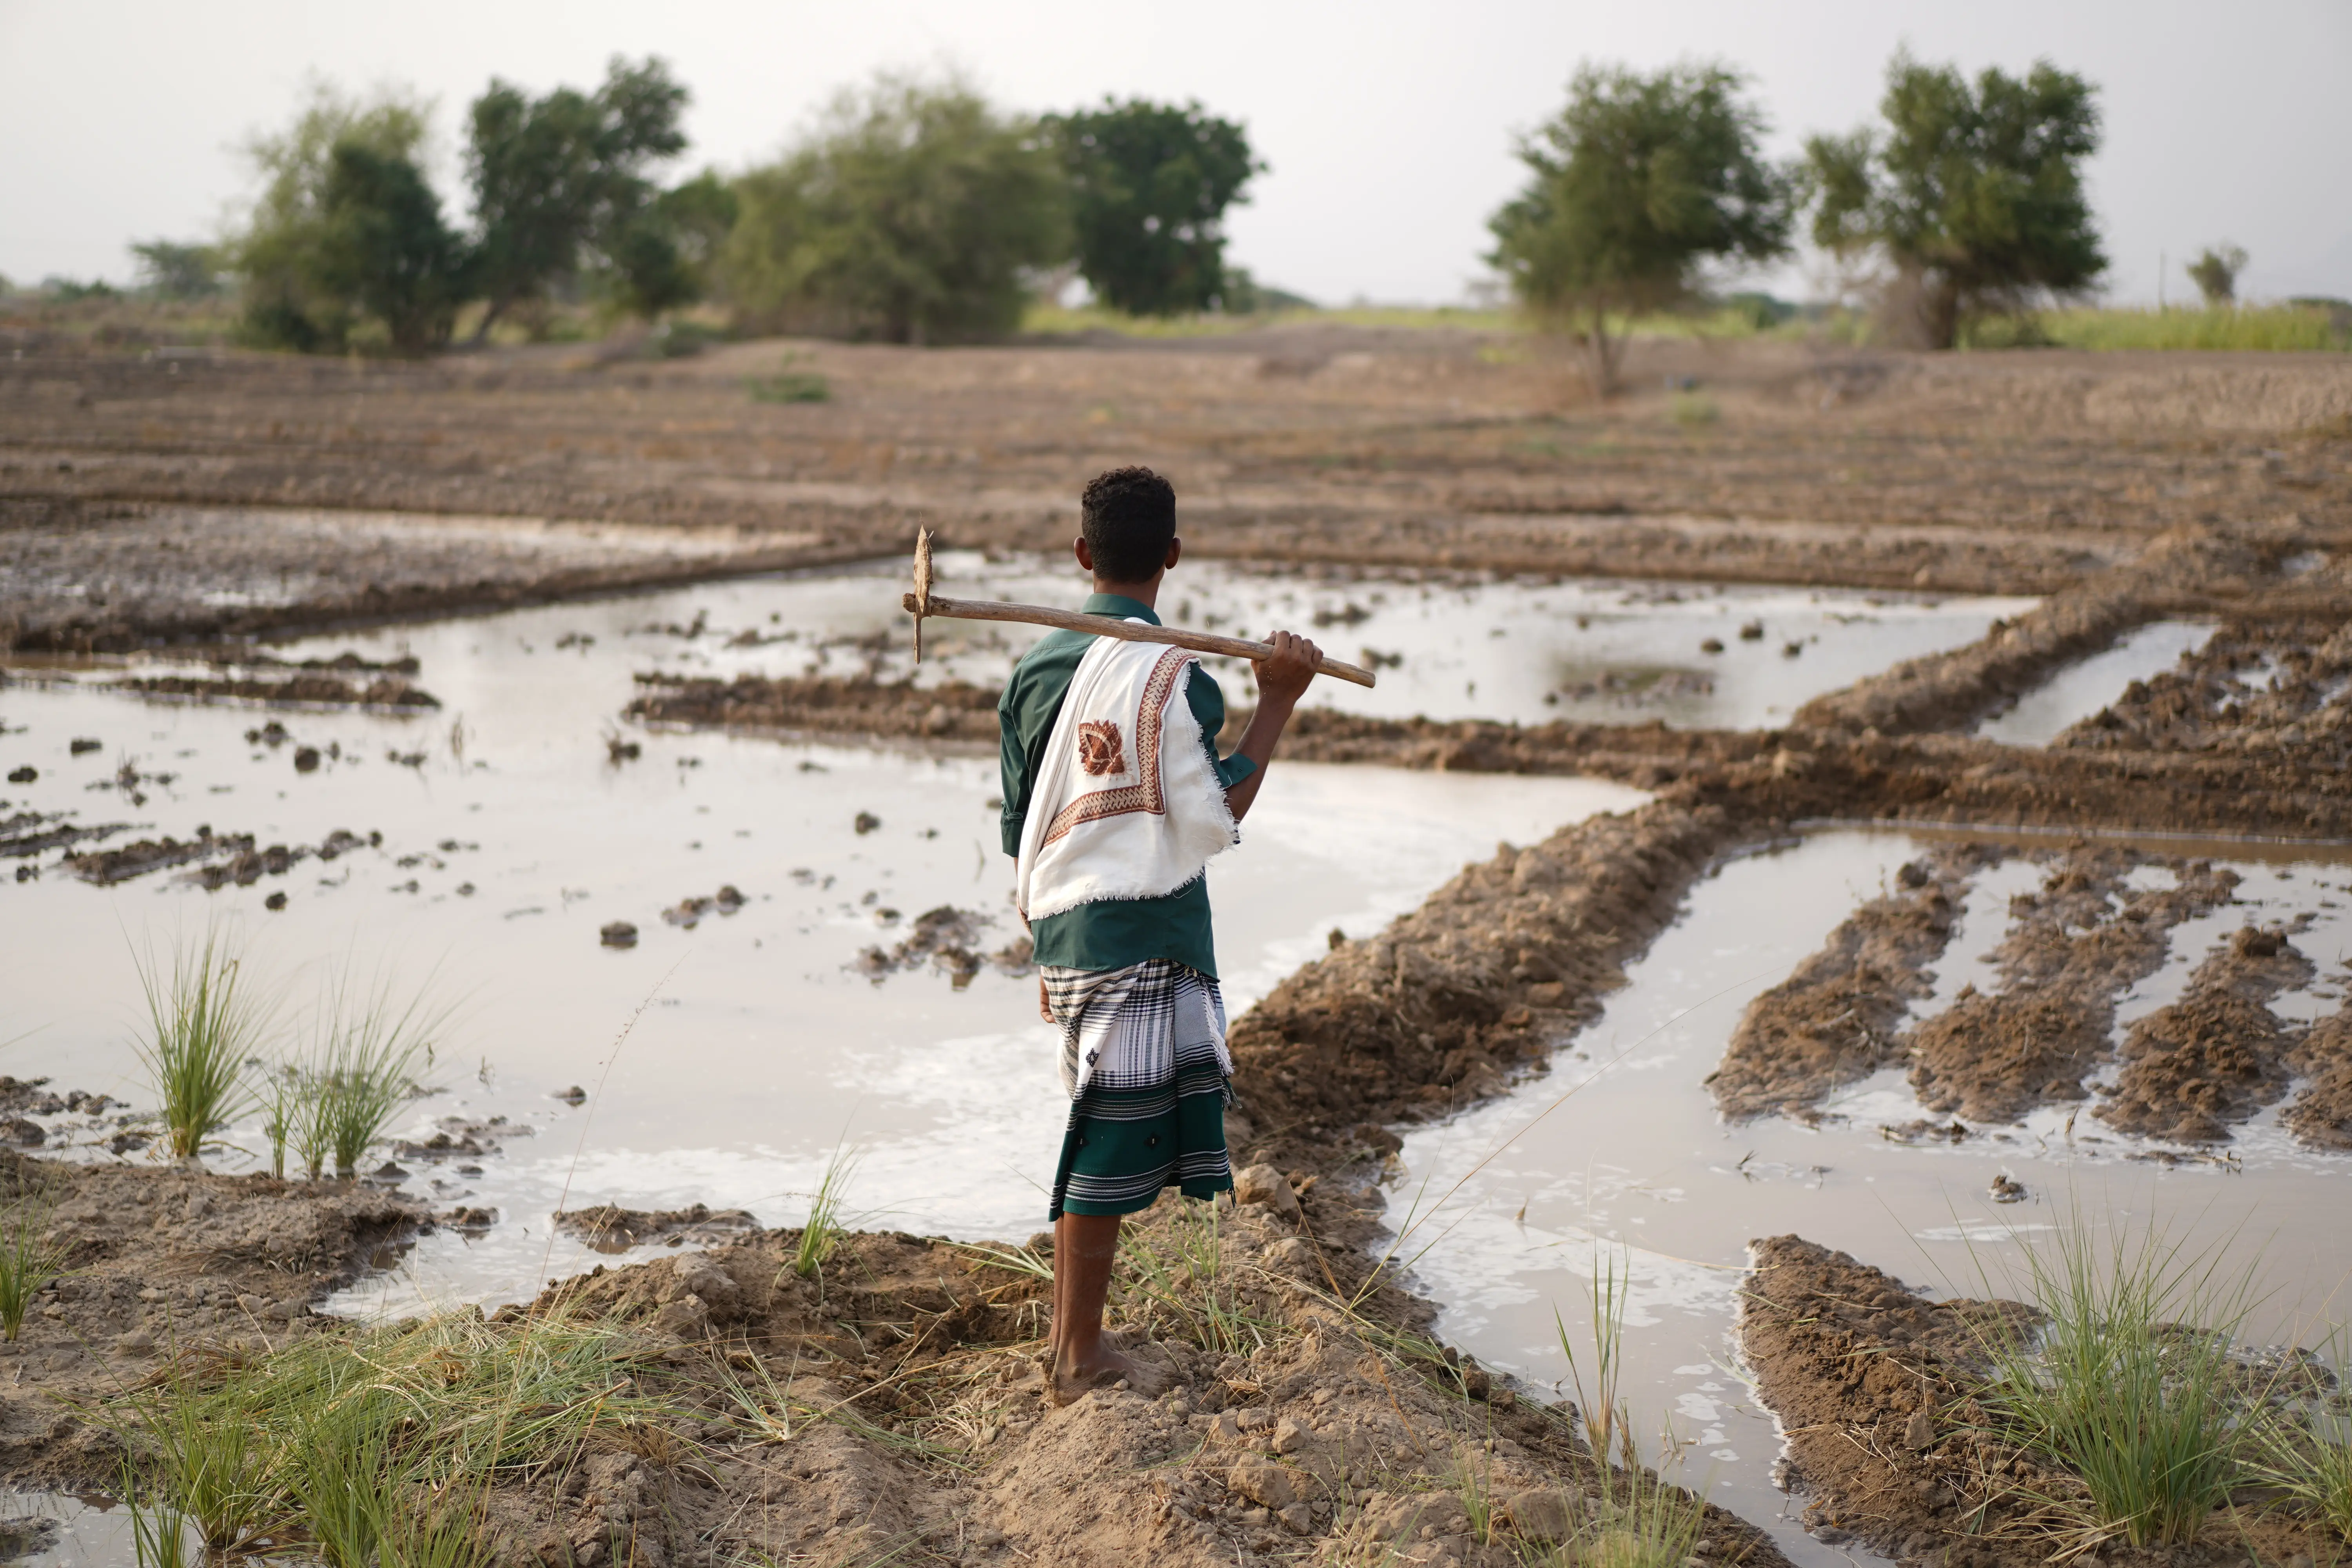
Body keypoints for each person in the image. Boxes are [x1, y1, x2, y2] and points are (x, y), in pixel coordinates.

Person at [997, 465, 1322, 1403]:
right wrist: (1279, 702)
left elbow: (1023, 824)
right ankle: (1076, 1356)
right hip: (1145, 931)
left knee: (1091, 1120)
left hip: (1066, 926)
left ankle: (1072, 1340)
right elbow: (1215, 806)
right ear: (1172, 556)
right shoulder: (1178, 678)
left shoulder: (1034, 670)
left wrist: (1046, 940)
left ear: (1082, 554)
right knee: (1102, 1140)